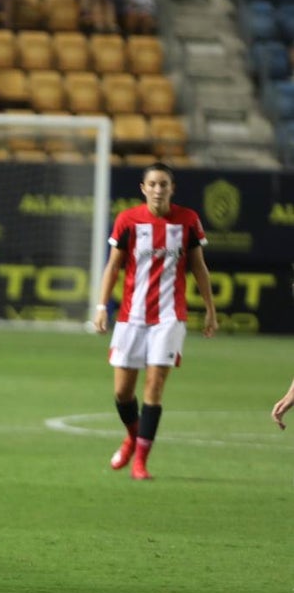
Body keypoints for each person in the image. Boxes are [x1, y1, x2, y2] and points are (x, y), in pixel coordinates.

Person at [92, 162, 218, 481]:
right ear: (143, 188)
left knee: (154, 385)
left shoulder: (187, 220)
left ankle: (141, 462)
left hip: (169, 317)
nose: (158, 189)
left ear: (172, 188)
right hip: (131, 317)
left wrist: (210, 309)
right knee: (123, 392)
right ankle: (132, 437)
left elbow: (199, 267)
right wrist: (101, 306)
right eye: (153, 184)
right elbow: (113, 266)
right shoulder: (128, 220)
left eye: (164, 184)